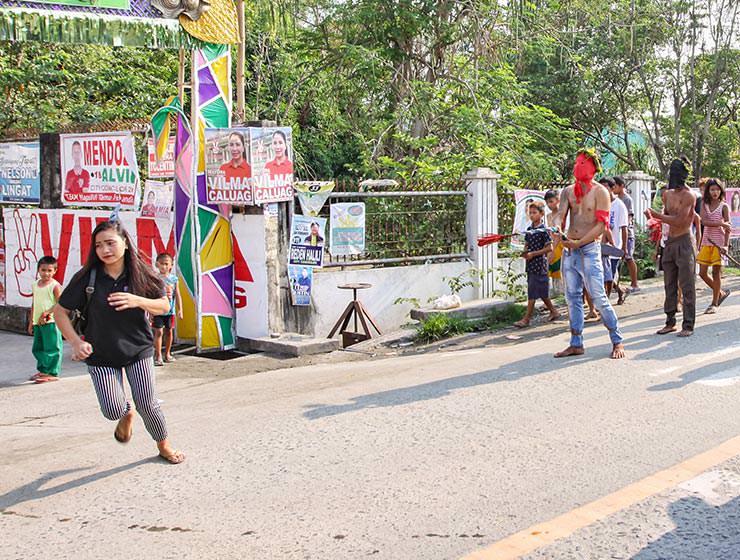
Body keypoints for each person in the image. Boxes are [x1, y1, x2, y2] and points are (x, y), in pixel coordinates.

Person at [53, 219, 185, 464]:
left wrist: (138, 301)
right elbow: (59, 312)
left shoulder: (141, 273)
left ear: (125, 243)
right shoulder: (87, 278)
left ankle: (164, 444)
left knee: (148, 403)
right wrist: (75, 341)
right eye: (99, 245)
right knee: (111, 409)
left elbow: (164, 305)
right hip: (100, 352)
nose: (105, 250)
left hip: (138, 349)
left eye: (110, 243)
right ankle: (126, 413)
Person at [552, 149, 625, 359]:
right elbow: (560, 215)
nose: (579, 165)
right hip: (570, 250)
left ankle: (617, 341)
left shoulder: (601, 192)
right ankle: (576, 343)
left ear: (593, 167)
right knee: (573, 297)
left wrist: (579, 243)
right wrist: (557, 227)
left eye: (584, 162)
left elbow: (602, 226)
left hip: (589, 249)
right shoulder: (567, 191)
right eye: (577, 161)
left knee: (599, 298)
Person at [645, 156, 698, 337]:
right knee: (669, 284)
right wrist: (652, 218)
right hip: (670, 242)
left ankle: (688, 324)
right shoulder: (667, 194)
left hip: (684, 241)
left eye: (677, 174)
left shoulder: (689, 195)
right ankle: (670, 321)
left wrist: (657, 215)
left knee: (687, 284)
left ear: (683, 175)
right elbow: (666, 216)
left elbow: (680, 220)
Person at [514, 201, 560, 327]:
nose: (532, 215)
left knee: (533, 292)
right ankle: (554, 311)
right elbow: (527, 245)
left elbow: (549, 248)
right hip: (531, 264)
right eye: (530, 213)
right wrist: (525, 252)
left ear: (541, 214)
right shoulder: (529, 230)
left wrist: (533, 254)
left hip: (540, 264)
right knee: (542, 292)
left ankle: (526, 319)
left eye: (534, 213)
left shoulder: (544, 230)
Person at [697, 178, 731, 314]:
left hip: (719, 242)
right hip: (706, 241)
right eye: (712, 189)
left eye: (717, 189)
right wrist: (720, 224)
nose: (715, 192)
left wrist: (726, 245)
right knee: (702, 273)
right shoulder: (704, 204)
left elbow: (728, 227)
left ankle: (714, 303)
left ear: (721, 190)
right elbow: (704, 221)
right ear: (708, 191)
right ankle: (720, 292)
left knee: (716, 273)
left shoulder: (724, 206)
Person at [28, 256, 63, 384]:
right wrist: (31, 321)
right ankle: (43, 370)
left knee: (52, 348)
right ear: (38, 270)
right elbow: (34, 303)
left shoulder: (55, 286)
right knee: (38, 347)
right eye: (43, 270)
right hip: (38, 322)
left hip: (51, 322)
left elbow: (60, 304)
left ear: (55, 271)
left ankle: (52, 372)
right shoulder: (35, 285)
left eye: (49, 270)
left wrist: (47, 312)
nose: (46, 273)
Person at [599, 178, 628, 304]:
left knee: (608, 276)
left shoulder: (619, 205)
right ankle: (621, 291)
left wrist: (624, 248)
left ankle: (606, 301)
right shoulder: (599, 204)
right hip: (600, 245)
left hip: (614, 245)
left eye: (606, 187)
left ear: (612, 188)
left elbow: (624, 228)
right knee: (603, 275)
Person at [152, 253, 182, 366]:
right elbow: (152, 294)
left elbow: (177, 295)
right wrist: (151, 310)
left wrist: (180, 309)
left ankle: (167, 354)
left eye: (166, 264)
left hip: (170, 311)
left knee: (169, 331)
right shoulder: (155, 278)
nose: (164, 267)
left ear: (171, 265)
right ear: (157, 265)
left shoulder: (174, 279)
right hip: (158, 310)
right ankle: (158, 355)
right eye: (161, 264)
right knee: (158, 331)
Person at [613, 176, 640, 293]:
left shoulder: (626, 199)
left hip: (627, 233)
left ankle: (635, 284)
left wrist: (624, 225)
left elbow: (630, 216)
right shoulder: (614, 200)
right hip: (616, 233)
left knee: (628, 257)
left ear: (621, 186)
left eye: (615, 186)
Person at [545, 190, 563, 282]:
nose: (549, 204)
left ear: (558, 200)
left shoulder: (562, 215)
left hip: (560, 246)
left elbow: (559, 235)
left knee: (561, 274)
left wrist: (553, 250)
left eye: (551, 201)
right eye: (547, 202)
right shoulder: (548, 216)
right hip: (551, 245)